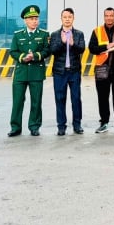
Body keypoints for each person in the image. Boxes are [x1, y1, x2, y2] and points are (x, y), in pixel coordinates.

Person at [8, 5, 51, 137]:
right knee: (17, 101)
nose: (35, 21)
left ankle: (34, 126)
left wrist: (36, 56)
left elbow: (47, 51)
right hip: (21, 72)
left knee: (36, 101)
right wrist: (22, 58)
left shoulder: (44, 34)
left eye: (36, 18)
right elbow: (13, 51)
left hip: (36, 73)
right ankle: (15, 127)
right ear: (25, 20)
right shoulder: (18, 35)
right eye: (31, 19)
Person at [49, 8, 85, 136]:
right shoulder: (54, 35)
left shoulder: (79, 34)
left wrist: (73, 44)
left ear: (73, 18)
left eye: (70, 17)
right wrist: (63, 43)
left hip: (74, 71)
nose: (67, 19)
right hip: (59, 72)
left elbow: (81, 49)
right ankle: (61, 126)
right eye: (65, 17)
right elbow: (52, 50)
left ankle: (77, 124)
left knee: (76, 98)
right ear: (61, 19)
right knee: (60, 98)